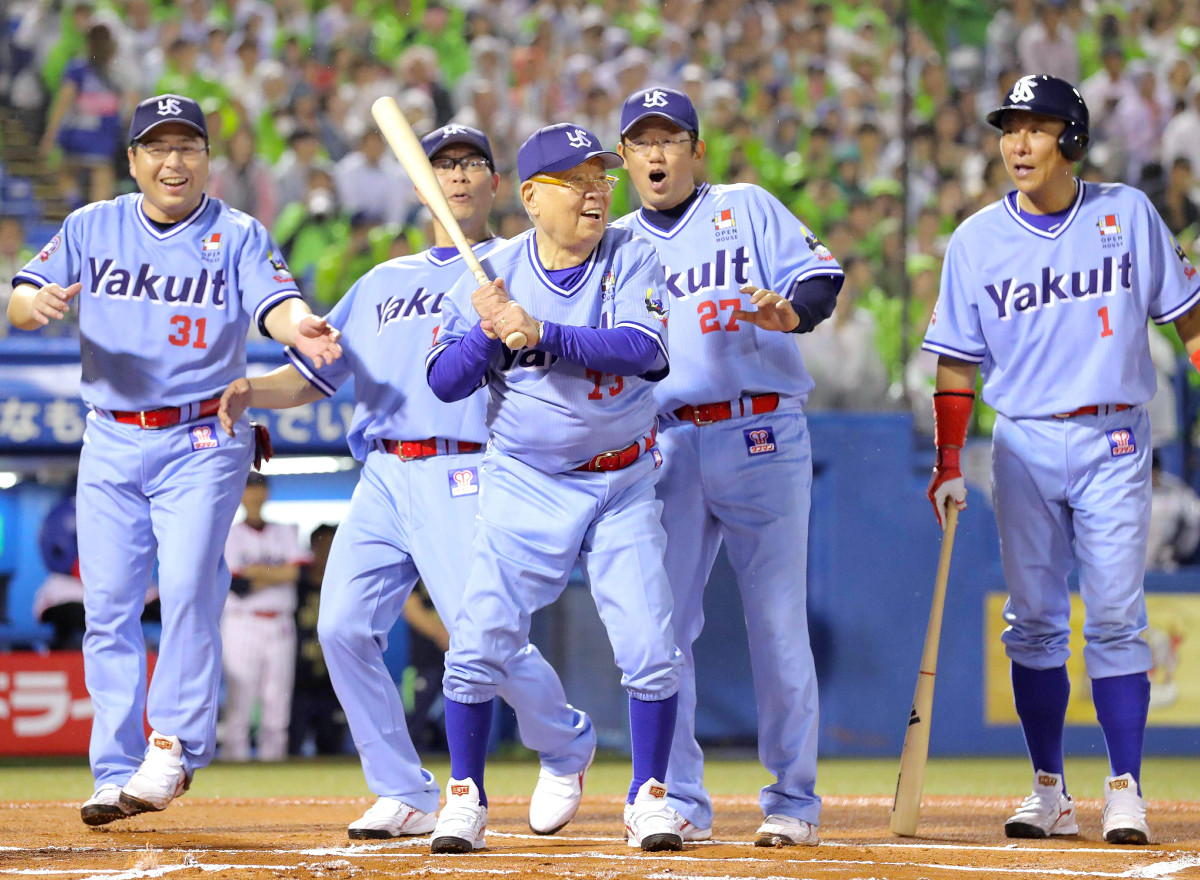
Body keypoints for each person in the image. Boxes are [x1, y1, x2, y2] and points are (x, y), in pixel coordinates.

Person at [218, 124, 596, 840]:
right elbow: (313, 376)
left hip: (468, 465)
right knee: (341, 627)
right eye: (442, 165)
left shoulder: (523, 264)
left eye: (471, 163)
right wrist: (250, 390)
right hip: (383, 472)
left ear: (496, 184)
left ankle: (565, 740)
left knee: (480, 634)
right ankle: (402, 788)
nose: (457, 175)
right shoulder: (380, 282)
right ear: (424, 186)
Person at [7, 93, 342, 827]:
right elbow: (21, 297)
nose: (173, 160)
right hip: (111, 434)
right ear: (133, 161)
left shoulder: (238, 232)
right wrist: (36, 305)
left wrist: (301, 327)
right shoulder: (92, 224)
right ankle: (113, 768)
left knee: (188, 583)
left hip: (202, 433)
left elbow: (277, 306)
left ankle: (173, 745)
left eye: (188, 145)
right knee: (107, 607)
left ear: (207, 159)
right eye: (157, 147)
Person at [924, 74, 1200, 846]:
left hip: (1115, 436)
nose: (1018, 143)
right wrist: (948, 460)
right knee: (1035, 623)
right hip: (1022, 441)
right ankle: (1049, 788)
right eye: (1010, 129)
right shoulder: (975, 239)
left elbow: (1189, 321)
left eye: (1037, 128)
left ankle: (1124, 789)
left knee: (1114, 615)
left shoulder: (1127, 213)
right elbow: (955, 363)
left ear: (1071, 139)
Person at [424, 122, 683, 855]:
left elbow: (646, 351)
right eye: (577, 181)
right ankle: (465, 796)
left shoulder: (634, 254)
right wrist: (486, 331)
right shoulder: (491, 272)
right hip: (526, 481)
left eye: (602, 177)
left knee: (651, 646)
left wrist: (541, 331)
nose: (596, 192)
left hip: (623, 479)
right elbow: (444, 382)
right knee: (477, 643)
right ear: (533, 198)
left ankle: (649, 796)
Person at [611, 87, 843, 847]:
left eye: (670, 139)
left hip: (759, 429)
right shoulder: (614, 243)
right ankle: (678, 796)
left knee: (776, 624)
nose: (656, 153)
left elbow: (822, 276)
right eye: (642, 142)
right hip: (664, 443)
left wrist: (793, 312)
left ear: (696, 150)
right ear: (624, 159)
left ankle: (793, 801)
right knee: (664, 627)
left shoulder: (744, 206)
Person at [219, 472, 307, 761]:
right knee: (239, 705)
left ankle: (274, 767)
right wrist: (276, 572)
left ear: (267, 493)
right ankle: (235, 767)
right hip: (242, 622)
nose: (255, 495)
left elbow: (294, 573)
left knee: (277, 706)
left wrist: (257, 571)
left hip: (280, 624)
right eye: (249, 489)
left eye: (259, 489)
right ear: (241, 494)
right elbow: (238, 585)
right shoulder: (229, 534)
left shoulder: (285, 531)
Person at [289, 523, 349, 757]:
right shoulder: (295, 585)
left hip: (332, 681)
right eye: (321, 546)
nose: (325, 553)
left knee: (333, 748)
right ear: (311, 548)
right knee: (291, 746)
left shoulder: (346, 586)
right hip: (298, 681)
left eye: (331, 546)